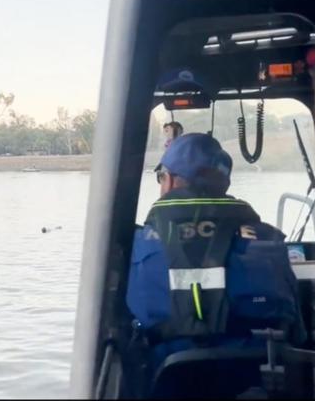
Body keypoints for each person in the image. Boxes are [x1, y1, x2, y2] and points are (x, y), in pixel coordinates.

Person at [125, 133, 305, 398]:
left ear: (171, 179)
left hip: (164, 385)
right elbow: (297, 331)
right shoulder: (268, 242)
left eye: (161, 176)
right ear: (223, 183)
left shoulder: (136, 246)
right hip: (248, 383)